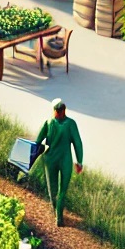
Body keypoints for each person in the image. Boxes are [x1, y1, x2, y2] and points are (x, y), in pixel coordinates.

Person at [33, 97, 84, 227]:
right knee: (62, 190)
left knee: (53, 188)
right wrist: (79, 162)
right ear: (64, 110)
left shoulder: (48, 122)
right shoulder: (71, 124)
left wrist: (31, 156)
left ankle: (56, 213)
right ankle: (59, 217)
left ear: (54, 110)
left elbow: (38, 141)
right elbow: (78, 143)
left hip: (50, 159)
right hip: (65, 160)